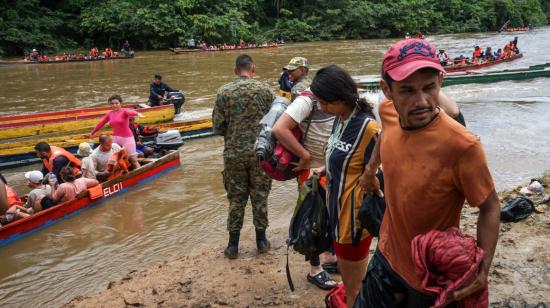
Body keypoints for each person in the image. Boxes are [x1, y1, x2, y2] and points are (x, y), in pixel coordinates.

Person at [356, 38, 500, 307]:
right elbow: (385, 137)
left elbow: (490, 207)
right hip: (386, 255)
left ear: (441, 83)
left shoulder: (462, 146)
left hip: (427, 275)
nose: (421, 101)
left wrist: (483, 268)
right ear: (387, 90)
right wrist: (370, 170)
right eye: (408, 91)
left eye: (429, 88)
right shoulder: (388, 111)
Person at [310, 64, 378, 306]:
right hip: (336, 215)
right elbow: (339, 156)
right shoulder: (340, 119)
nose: (321, 108)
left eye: (325, 103)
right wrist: (324, 168)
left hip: (354, 221)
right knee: (352, 283)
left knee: (354, 290)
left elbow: (385, 171)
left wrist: (370, 180)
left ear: (342, 98)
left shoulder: (368, 127)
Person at [272, 60, 338, 290]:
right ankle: (314, 269)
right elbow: (279, 129)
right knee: (313, 219)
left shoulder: (334, 100)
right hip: (310, 171)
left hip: (329, 168)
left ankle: (329, 257)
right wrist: (305, 156)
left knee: (330, 215)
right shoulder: (307, 100)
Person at [212, 54, 275, 259]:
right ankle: (262, 242)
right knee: (260, 196)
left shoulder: (224, 92)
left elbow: (218, 127)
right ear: (252, 69)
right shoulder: (265, 90)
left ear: (235, 70)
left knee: (236, 199)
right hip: (261, 152)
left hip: (233, 153)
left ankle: (232, 247)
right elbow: (276, 121)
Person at [90, 95, 142, 170]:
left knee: (133, 160)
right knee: (116, 159)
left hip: (127, 138)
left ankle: (140, 174)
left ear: (120, 103)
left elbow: (130, 112)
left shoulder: (125, 111)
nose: (114, 105)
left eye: (116, 103)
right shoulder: (109, 114)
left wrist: (137, 113)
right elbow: (101, 123)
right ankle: (119, 175)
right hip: (115, 139)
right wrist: (93, 132)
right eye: (112, 103)